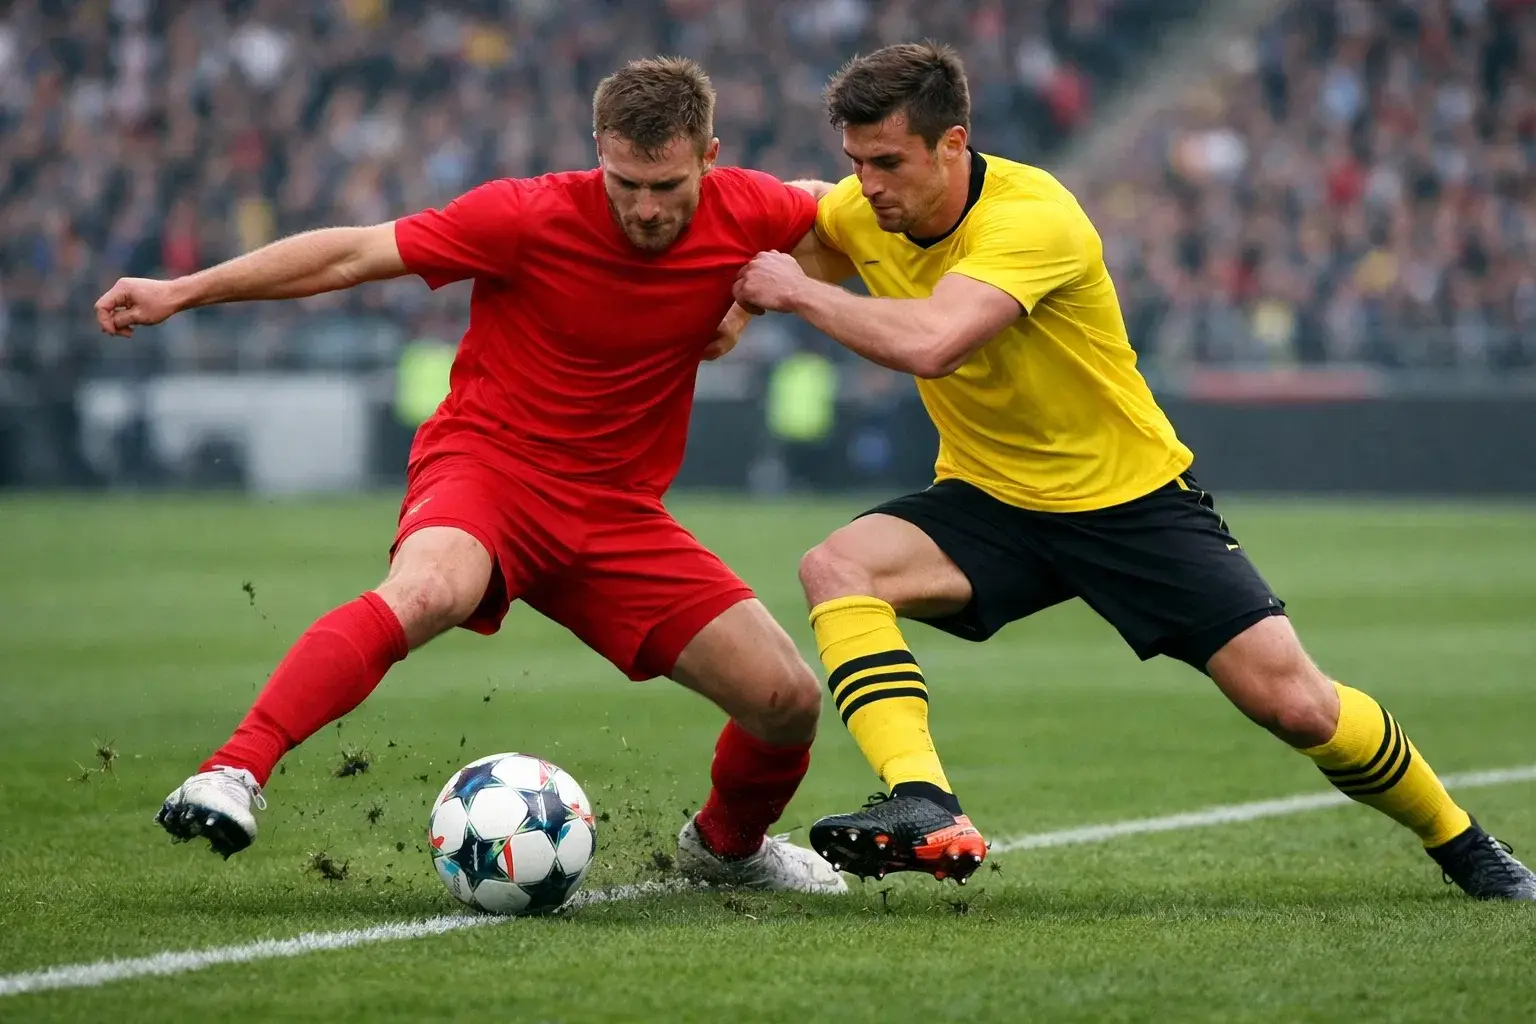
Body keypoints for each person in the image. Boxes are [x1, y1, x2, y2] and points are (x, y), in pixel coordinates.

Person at [732, 42, 1536, 900]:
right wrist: (730, 301)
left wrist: (796, 292)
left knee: (1298, 704)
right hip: (992, 499)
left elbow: (932, 341)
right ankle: (925, 802)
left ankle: (1466, 844)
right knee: (836, 567)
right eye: (855, 162)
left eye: (888, 161)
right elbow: (779, 233)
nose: (869, 183)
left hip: (1128, 502)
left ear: (953, 144)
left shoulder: (1032, 215)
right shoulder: (864, 210)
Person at [95, 57, 845, 895]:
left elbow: (841, 224)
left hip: (616, 513)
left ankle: (727, 848)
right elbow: (351, 255)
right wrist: (183, 291)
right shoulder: (522, 214)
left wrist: (747, 301)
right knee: (429, 594)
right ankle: (232, 772)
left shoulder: (749, 206)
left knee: (787, 698)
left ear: (711, 156)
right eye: (623, 181)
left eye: (665, 185)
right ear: (598, 149)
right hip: (489, 469)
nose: (642, 207)